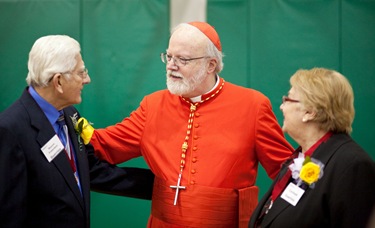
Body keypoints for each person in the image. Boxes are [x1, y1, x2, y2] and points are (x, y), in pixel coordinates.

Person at [87, 22, 294, 227]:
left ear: (210, 65)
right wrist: (62, 117)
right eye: (168, 57)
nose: (171, 66)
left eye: (182, 59)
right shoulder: (153, 105)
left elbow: (288, 172)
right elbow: (101, 144)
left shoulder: (253, 105)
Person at [0, 35, 154, 228]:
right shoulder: (10, 130)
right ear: (58, 82)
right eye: (81, 73)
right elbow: (9, 213)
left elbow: (90, 170)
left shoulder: (69, 113)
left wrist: (160, 187)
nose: (87, 79)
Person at [249, 68, 375, 227]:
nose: (282, 107)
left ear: (310, 112)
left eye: (288, 99)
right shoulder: (300, 159)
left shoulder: (352, 165)